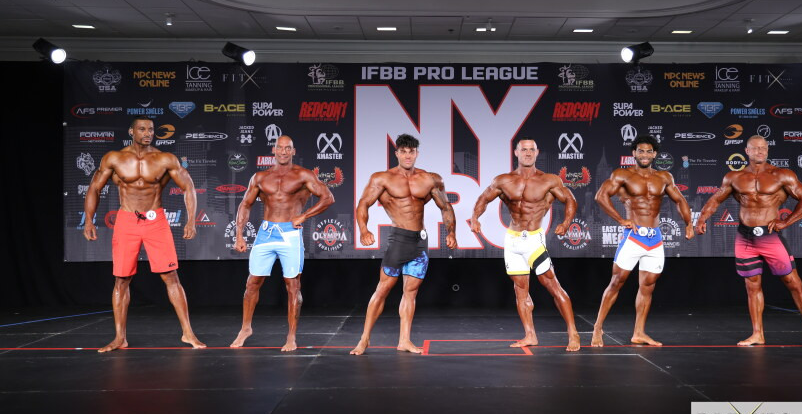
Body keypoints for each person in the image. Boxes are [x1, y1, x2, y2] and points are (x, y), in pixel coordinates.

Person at [82, 117, 205, 352]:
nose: (147, 133)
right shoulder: (114, 158)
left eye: (150, 129)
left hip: (155, 219)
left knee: (171, 276)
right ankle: (120, 337)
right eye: (142, 129)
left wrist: (191, 220)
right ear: (132, 131)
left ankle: (188, 333)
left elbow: (188, 186)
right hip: (127, 220)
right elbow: (94, 188)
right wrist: (89, 220)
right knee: (121, 279)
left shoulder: (165, 159)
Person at [696, 135, 802, 351]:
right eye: (755, 148)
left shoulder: (781, 175)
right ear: (747, 151)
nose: (760, 151)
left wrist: (786, 221)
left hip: (770, 236)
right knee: (752, 285)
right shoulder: (734, 177)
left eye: (763, 148)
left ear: (768, 150)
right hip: (745, 237)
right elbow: (715, 199)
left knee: (794, 283)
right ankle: (757, 333)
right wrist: (701, 219)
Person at [470, 138, 581, 352]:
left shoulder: (549, 180)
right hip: (512, 240)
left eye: (531, 150)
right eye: (524, 150)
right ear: (516, 152)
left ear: (537, 153)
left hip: (533, 240)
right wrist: (475, 218)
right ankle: (530, 334)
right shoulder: (503, 180)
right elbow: (483, 198)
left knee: (552, 285)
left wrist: (566, 223)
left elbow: (570, 200)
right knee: (520, 289)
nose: (528, 153)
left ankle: (573, 333)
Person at [350, 134, 457, 355]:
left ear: (417, 153)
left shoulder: (430, 179)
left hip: (420, 243)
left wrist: (451, 232)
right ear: (397, 153)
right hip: (399, 240)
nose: (408, 156)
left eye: (412, 152)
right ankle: (364, 339)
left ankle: (404, 340)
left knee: (411, 292)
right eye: (404, 152)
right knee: (383, 290)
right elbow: (363, 203)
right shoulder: (382, 178)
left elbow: (445, 206)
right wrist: (363, 230)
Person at [230, 135, 334, 351]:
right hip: (265, 233)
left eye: (288, 148)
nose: (284, 152)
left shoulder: (303, 175)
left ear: (293, 151)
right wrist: (239, 234)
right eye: (280, 148)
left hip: (290, 234)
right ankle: (245, 328)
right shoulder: (260, 177)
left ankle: (291, 337)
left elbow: (328, 197)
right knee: (252, 283)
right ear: (274, 150)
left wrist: (304, 216)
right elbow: (245, 204)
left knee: (293, 286)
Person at [592, 135, 694, 347]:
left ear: (654, 154)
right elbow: (600, 196)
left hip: (655, 238)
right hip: (633, 237)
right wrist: (621, 220)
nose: (645, 155)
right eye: (641, 151)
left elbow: (680, 200)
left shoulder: (664, 177)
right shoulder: (623, 175)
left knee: (648, 286)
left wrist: (689, 224)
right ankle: (598, 328)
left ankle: (639, 333)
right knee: (616, 282)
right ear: (634, 153)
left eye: (649, 151)